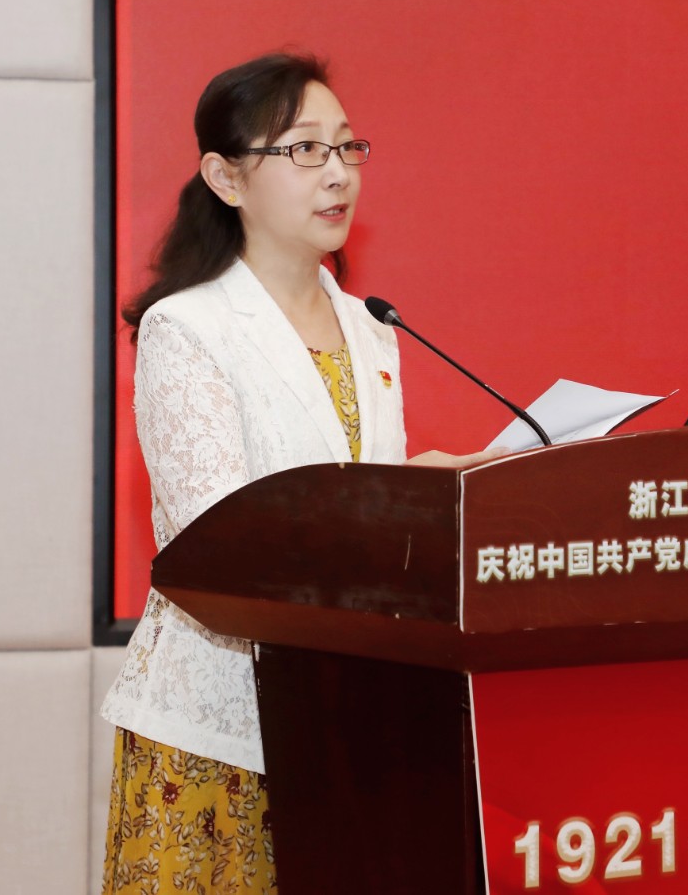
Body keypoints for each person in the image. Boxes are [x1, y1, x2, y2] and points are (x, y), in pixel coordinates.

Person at [100, 52, 502, 894]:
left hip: (350, 724)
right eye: (305, 150)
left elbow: (358, 526)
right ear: (226, 177)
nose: (338, 174)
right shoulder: (189, 329)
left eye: (348, 148)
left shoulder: (373, 330)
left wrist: (428, 497)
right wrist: (395, 496)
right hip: (217, 731)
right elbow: (220, 539)